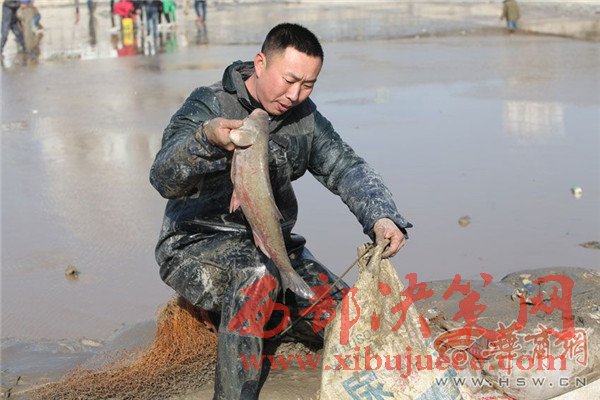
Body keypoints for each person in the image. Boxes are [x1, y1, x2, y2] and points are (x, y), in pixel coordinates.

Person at [149, 23, 412, 399]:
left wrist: (382, 215)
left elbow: (345, 167)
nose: (294, 94)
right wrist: (205, 139)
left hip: (275, 246)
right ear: (260, 63)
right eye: (289, 80)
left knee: (353, 322)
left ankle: (274, 317)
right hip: (196, 242)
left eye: (308, 84)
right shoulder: (208, 104)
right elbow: (162, 177)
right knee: (256, 275)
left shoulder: (305, 118)